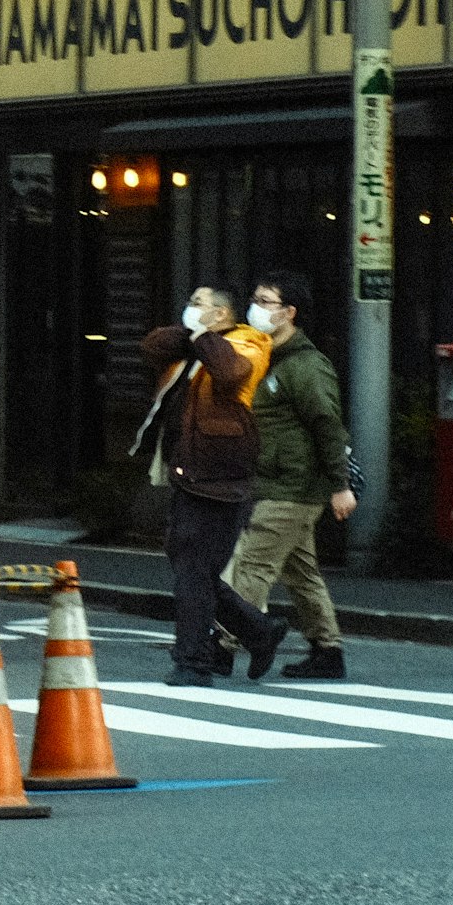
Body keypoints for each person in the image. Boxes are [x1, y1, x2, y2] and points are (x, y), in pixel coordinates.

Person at [134, 286, 285, 688]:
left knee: (194, 571)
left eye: (198, 304)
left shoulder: (249, 342)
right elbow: (151, 347)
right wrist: (191, 334)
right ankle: (258, 632)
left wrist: (204, 337)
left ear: (220, 315)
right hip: (191, 473)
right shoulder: (195, 346)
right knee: (192, 570)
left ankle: (194, 662)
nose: (189, 309)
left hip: (222, 477)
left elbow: (233, 373)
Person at [225, 267, 354, 682]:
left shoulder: (306, 366)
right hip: (278, 481)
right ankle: (327, 651)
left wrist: (340, 486)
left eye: (266, 303)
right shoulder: (266, 357)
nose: (256, 309)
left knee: (252, 565)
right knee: (301, 573)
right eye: (256, 300)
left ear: (289, 313)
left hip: (292, 486)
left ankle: (222, 645)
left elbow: (328, 425)